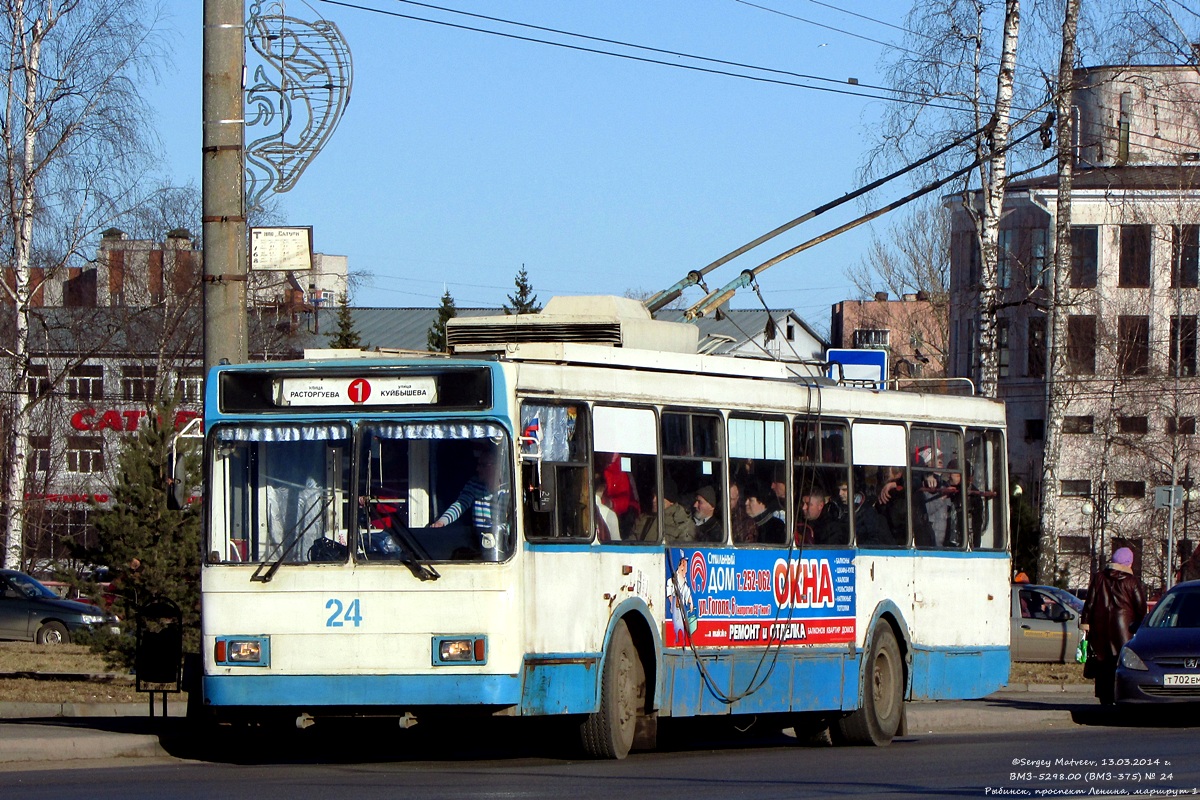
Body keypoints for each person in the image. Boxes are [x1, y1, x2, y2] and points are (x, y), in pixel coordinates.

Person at [1080, 547, 1147, 705]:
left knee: (1102, 663)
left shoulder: (1099, 578)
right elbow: (1141, 607)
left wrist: (1086, 624)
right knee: (1120, 663)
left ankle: (1104, 697)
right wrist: (1140, 626)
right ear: (1128, 563)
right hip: (1124, 630)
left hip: (1100, 630)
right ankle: (1121, 695)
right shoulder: (1132, 581)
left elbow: (1089, 603)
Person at [432, 443, 511, 560]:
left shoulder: (509, 490)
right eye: (478, 464)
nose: (478, 469)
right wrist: (442, 522)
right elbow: (460, 504)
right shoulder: (474, 485)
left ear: (497, 467)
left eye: (483, 465)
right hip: (477, 547)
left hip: (503, 550)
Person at [661, 477, 696, 544]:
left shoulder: (683, 523)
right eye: (653, 496)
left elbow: (682, 551)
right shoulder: (644, 519)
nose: (653, 500)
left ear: (670, 500)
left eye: (659, 497)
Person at [728, 479, 757, 543]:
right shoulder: (716, 514)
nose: (727, 502)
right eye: (725, 498)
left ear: (737, 497)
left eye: (731, 499)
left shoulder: (746, 521)